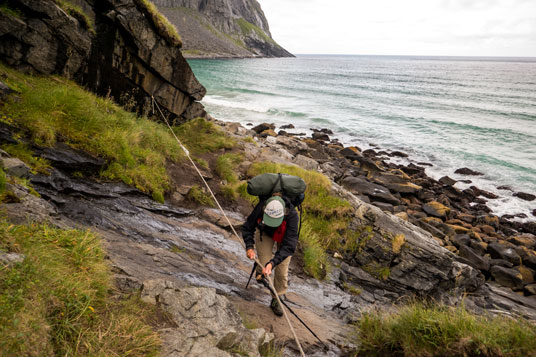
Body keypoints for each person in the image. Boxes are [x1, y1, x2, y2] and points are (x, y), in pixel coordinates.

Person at [242, 193, 299, 316]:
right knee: (263, 263)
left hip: (284, 237)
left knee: (282, 270)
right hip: (265, 232)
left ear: (283, 214)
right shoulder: (262, 206)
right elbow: (248, 227)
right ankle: (260, 272)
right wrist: (249, 247)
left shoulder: (292, 216)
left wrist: (272, 263)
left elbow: (289, 247)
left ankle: (277, 298)